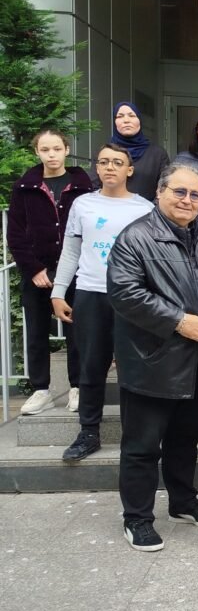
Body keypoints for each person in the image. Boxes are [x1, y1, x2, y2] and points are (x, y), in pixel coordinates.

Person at [107, 163, 198, 552]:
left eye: (196, 195)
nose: (188, 200)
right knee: (142, 446)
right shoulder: (135, 237)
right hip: (153, 361)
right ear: (160, 192)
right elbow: (124, 293)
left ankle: (183, 502)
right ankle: (137, 518)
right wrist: (178, 321)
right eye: (180, 191)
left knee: (185, 439)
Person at [52, 143, 153, 460]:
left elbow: (152, 258)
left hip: (132, 296)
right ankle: (88, 432)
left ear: (129, 170)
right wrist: (58, 292)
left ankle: (134, 434)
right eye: (105, 162)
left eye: (117, 162)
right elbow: (70, 252)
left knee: (132, 367)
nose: (110, 167)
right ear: (97, 168)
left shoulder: (145, 208)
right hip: (90, 293)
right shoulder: (82, 205)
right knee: (91, 365)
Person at [8, 129, 91, 415]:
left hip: (76, 271)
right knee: (36, 332)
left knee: (77, 331)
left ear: (67, 149)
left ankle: (77, 387)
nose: (51, 154)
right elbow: (15, 233)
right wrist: (33, 268)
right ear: (37, 152)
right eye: (45, 150)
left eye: (56, 148)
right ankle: (41, 389)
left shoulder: (83, 186)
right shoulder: (24, 187)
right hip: (37, 272)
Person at [101, 102, 169, 202]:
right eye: (120, 116)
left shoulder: (157, 154)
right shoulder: (105, 153)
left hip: (147, 209)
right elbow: (95, 185)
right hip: (109, 208)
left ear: (139, 120)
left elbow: (165, 188)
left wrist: (151, 209)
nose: (126, 120)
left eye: (132, 115)